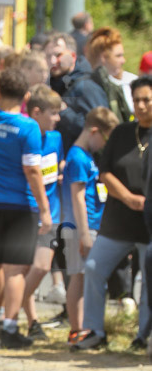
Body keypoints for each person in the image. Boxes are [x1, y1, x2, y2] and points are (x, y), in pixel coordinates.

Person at [0, 68, 52, 348]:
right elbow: (32, 170)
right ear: (26, 96)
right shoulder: (28, 127)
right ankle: (8, 329)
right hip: (20, 205)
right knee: (14, 271)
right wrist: (44, 210)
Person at [75, 77, 152, 351]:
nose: (141, 106)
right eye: (137, 100)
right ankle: (94, 330)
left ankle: (142, 336)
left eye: (147, 100)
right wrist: (128, 197)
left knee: (147, 281)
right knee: (94, 268)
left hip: (149, 224)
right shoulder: (121, 133)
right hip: (119, 219)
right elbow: (105, 172)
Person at [60, 108, 118, 344]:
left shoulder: (86, 156)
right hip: (79, 227)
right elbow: (78, 197)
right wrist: (84, 234)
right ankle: (76, 328)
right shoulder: (77, 157)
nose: (104, 145)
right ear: (94, 131)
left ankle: (83, 326)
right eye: (105, 138)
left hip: (91, 224)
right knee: (79, 275)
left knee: (85, 275)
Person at [21, 85, 64, 338]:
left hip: (52, 212)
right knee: (29, 268)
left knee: (42, 267)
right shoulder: (25, 133)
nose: (57, 118)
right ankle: (31, 321)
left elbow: (55, 164)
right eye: (53, 113)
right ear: (36, 112)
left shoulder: (56, 138)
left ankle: (9, 308)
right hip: (28, 210)